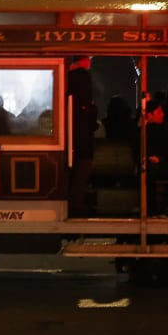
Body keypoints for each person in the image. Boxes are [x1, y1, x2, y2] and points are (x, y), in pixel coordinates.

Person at [66, 56, 98, 216]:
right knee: (82, 168)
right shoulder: (82, 77)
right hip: (81, 137)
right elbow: (86, 107)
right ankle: (77, 205)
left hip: (70, 136)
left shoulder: (67, 76)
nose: (90, 61)